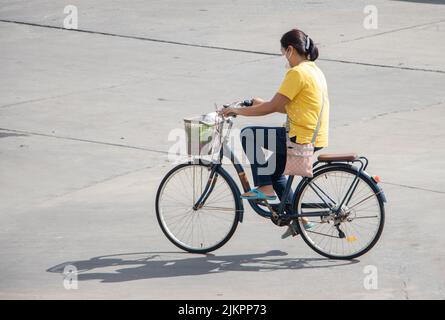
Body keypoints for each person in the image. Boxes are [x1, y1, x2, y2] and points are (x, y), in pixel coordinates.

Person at [221, 29, 330, 238]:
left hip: (301, 135)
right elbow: (283, 106)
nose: (284, 58)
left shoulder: (297, 73)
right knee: (276, 172)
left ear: (290, 50)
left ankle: (264, 187)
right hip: (315, 134)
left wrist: (237, 111)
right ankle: (299, 219)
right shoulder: (313, 70)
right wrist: (261, 103)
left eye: (283, 53)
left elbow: (272, 108)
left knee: (249, 135)